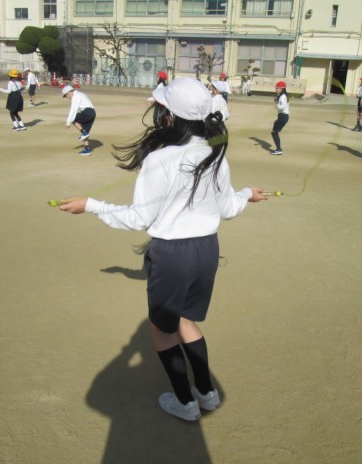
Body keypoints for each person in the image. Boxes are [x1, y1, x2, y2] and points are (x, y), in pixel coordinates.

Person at [58, 77, 268, 421]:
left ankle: (185, 402)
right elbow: (228, 208)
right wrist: (247, 194)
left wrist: (92, 205)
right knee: (185, 319)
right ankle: (207, 393)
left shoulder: (160, 158)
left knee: (163, 329)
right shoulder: (214, 152)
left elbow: (140, 217)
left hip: (172, 255)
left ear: (169, 116)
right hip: (207, 250)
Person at [62, 85, 96, 156]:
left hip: (87, 112)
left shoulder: (76, 96)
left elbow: (73, 110)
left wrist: (68, 122)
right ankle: (87, 149)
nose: (66, 97)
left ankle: (84, 132)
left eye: (65, 95)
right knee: (85, 132)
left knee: (73, 119)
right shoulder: (81, 94)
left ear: (69, 92)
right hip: (92, 113)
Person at [270, 80, 289, 155]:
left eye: (277, 88)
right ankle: (278, 149)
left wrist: (277, 106)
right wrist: (277, 101)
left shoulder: (283, 96)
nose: (276, 89)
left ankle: (278, 149)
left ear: (282, 88)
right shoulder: (282, 96)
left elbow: (283, 106)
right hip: (282, 116)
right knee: (274, 132)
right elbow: (281, 104)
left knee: (274, 132)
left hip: (283, 116)